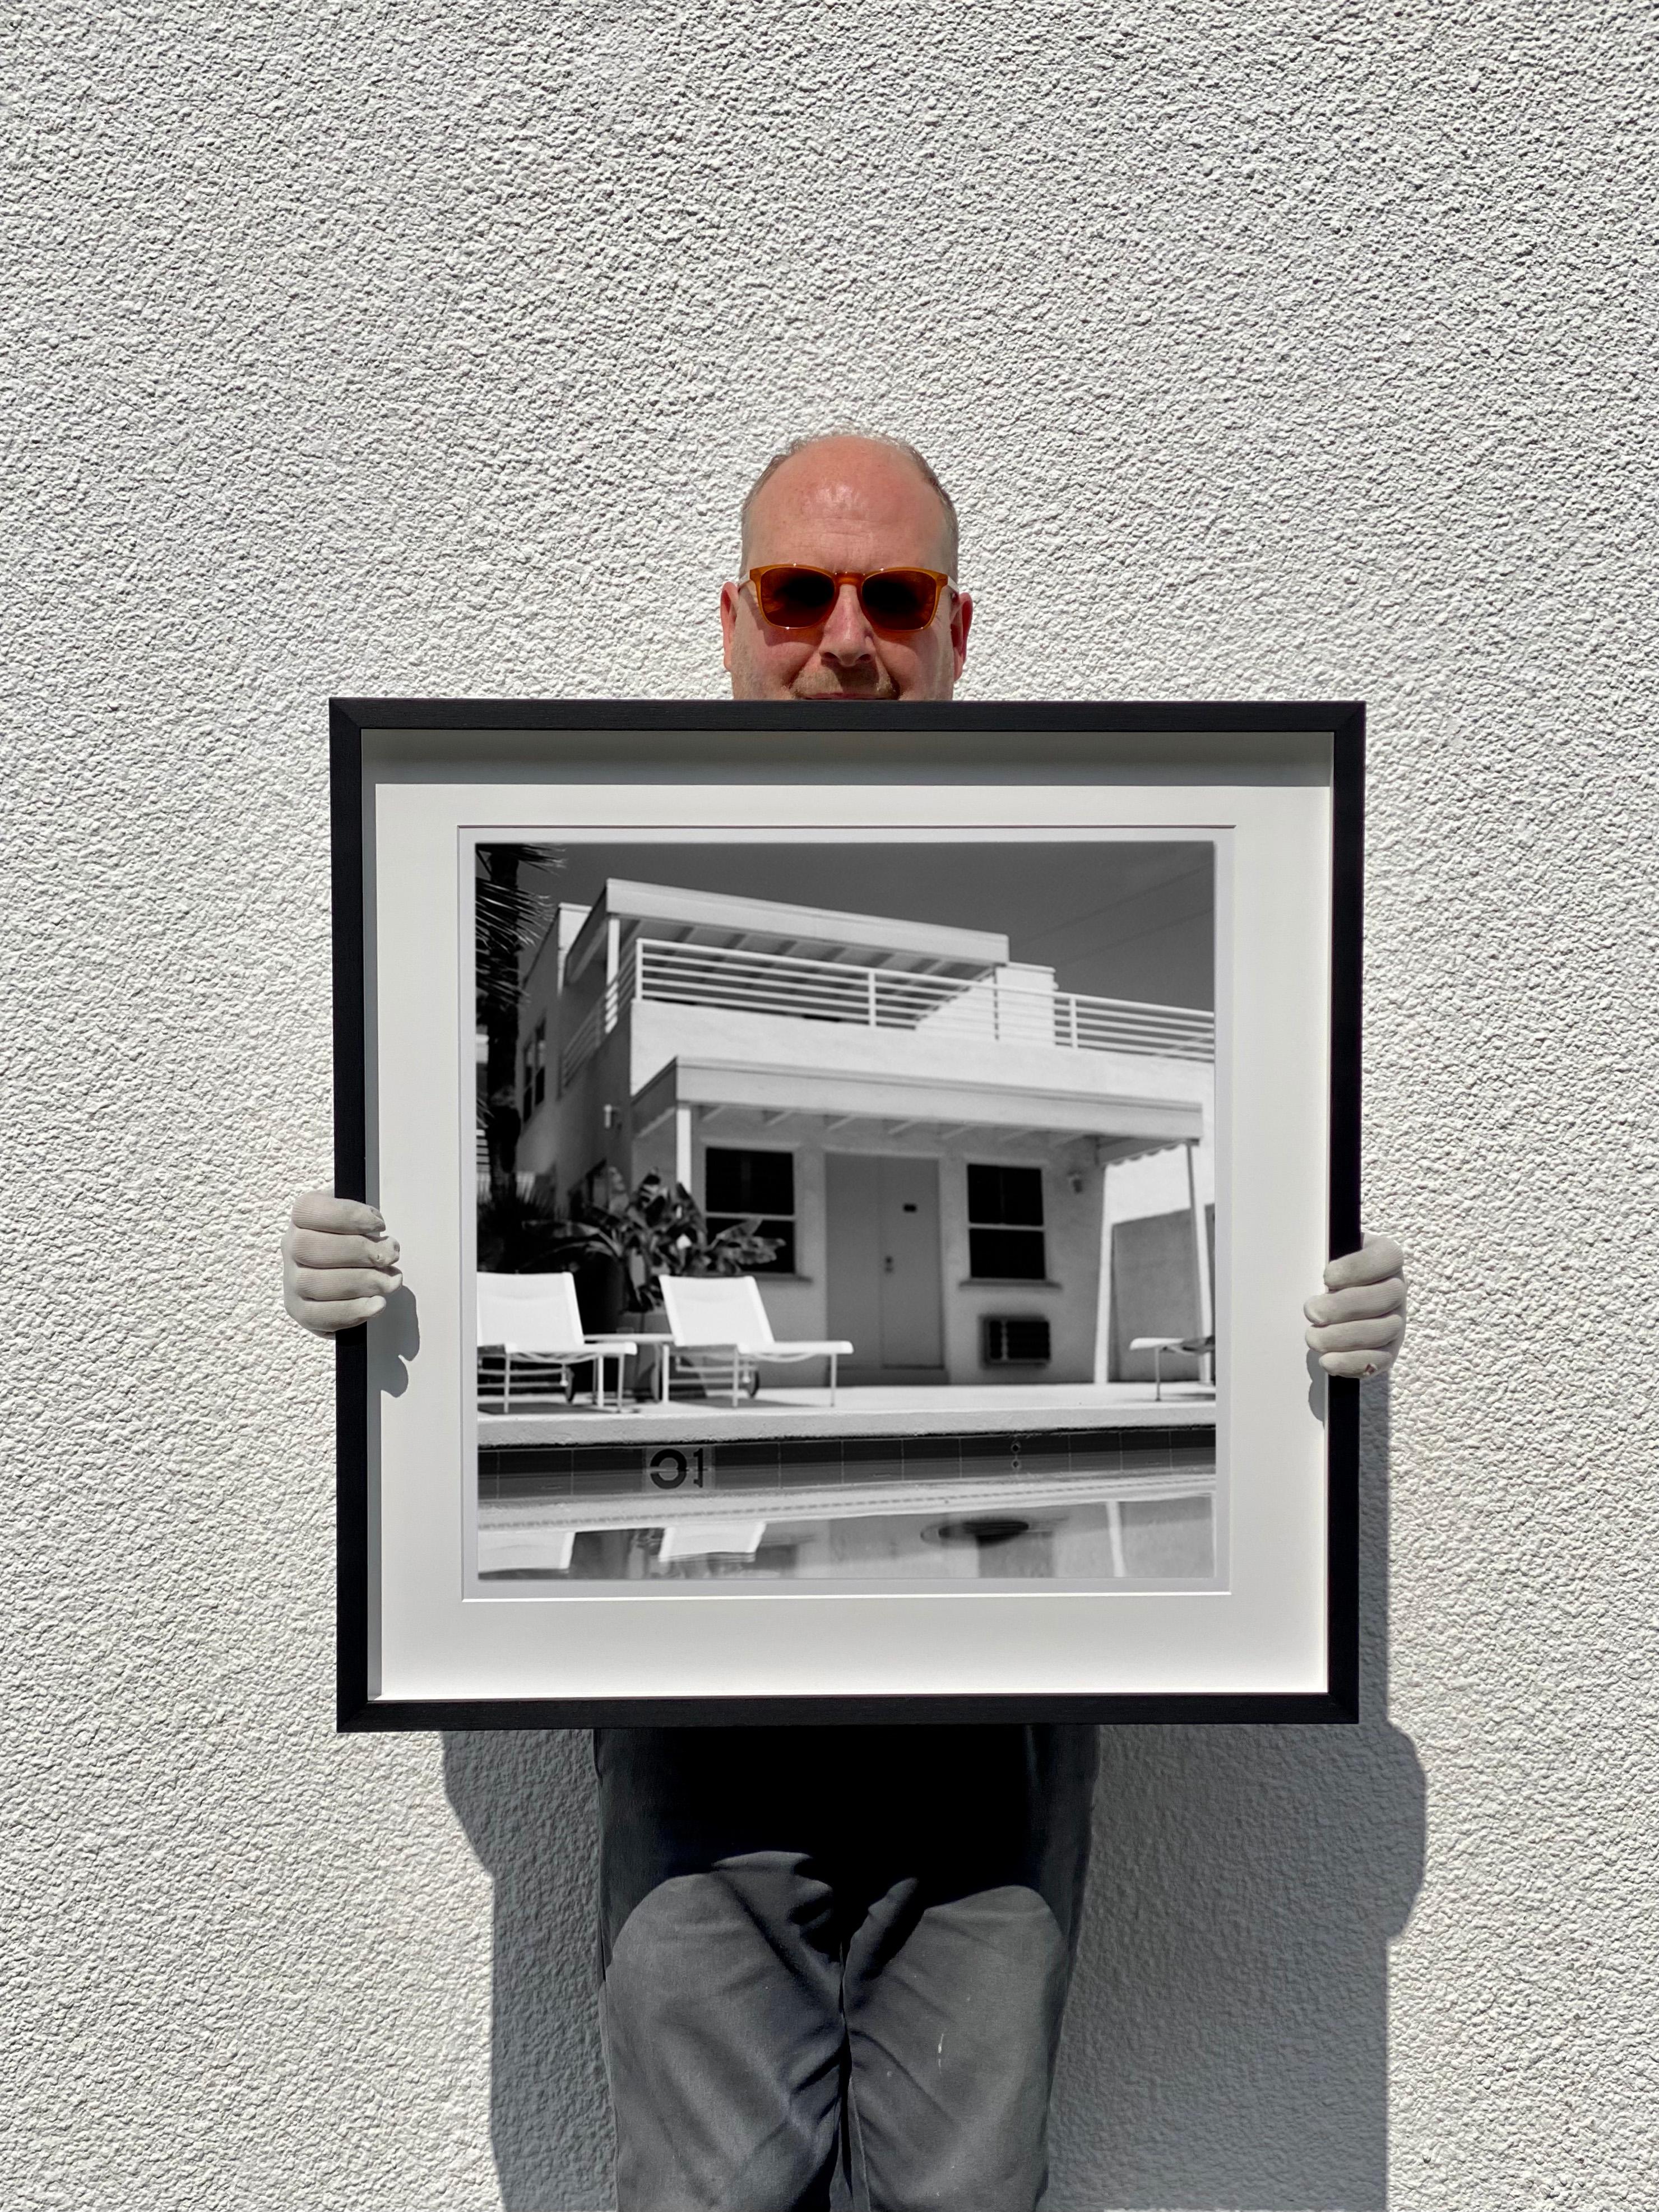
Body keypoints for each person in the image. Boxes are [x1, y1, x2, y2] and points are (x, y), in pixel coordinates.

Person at [283, 433, 1408, 2210]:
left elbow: (1217, 1176)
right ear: (733, 620)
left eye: (894, 598)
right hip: (691, 1727)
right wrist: (385, 1290)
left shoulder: (1056, 875)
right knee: (706, 2195)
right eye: (801, 596)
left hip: (1000, 1737)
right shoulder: (571, 911)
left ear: (960, 628)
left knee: (967, 2198)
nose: (846, 638)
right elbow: (526, 1194)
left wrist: (1300, 1333)